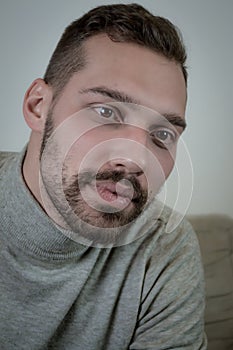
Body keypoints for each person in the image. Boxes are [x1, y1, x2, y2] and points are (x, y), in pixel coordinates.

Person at [0, 3, 207, 349]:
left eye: (162, 134)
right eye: (106, 111)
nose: (134, 158)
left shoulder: (164, 249)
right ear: (39, 105)